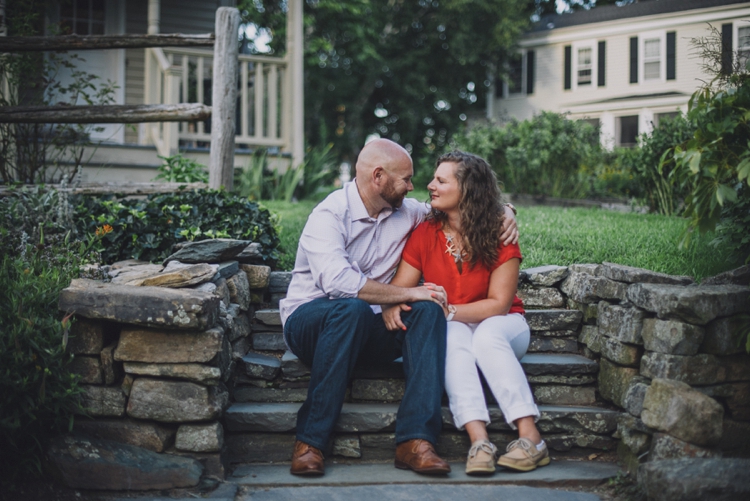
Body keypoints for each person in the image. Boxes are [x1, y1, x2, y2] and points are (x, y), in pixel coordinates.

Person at [279, 139, 518, 477]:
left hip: (368, 328)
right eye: (405, 179)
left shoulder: (407, 212)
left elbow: (464, 203)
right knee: (352, 309)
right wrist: (402, 293)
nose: (412, 186)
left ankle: (415, 441)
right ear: (379, 177)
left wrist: (505, 210)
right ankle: (310, 442)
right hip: (312, 325)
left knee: (429, 309)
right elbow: (338, 284)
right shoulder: (329, 215)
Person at [383, 150, 547, 475]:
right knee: (453, 334)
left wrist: (447, 310)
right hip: (457, 325)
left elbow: (499, 303)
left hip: (503, 325)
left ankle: (532, 438)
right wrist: (390, 302)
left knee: (484, 335)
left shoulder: (500, 231)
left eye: (441, 180)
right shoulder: (424, 233)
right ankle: (479, 441)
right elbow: (402, 287)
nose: (430, 185)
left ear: (467, 190)